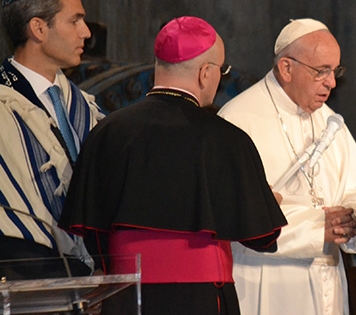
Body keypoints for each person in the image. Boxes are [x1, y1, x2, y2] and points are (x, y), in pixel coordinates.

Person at [58, 16, 287, 315]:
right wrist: (266, 201)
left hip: (126, 299)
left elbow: (91, 228)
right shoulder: (227, 138)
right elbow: (262, 236)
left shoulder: (108, 131)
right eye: (222, 70)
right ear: (206, 74)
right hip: (202, 299)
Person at [217, 18, 356, 315]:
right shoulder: (238, 120)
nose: (332, 82)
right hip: (269, 284)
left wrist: (351, 221)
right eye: (321, 71)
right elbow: (237, 216)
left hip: (328, 282)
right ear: (287, 68)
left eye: (335, 70)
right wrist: (316, 229)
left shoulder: (329, 118)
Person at [0, 0, 103, 280]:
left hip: (91, 273)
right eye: (75, 21)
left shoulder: (86, 107)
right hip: (21, 272)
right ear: (38, 29)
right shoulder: (5, 105)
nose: (86, 33)